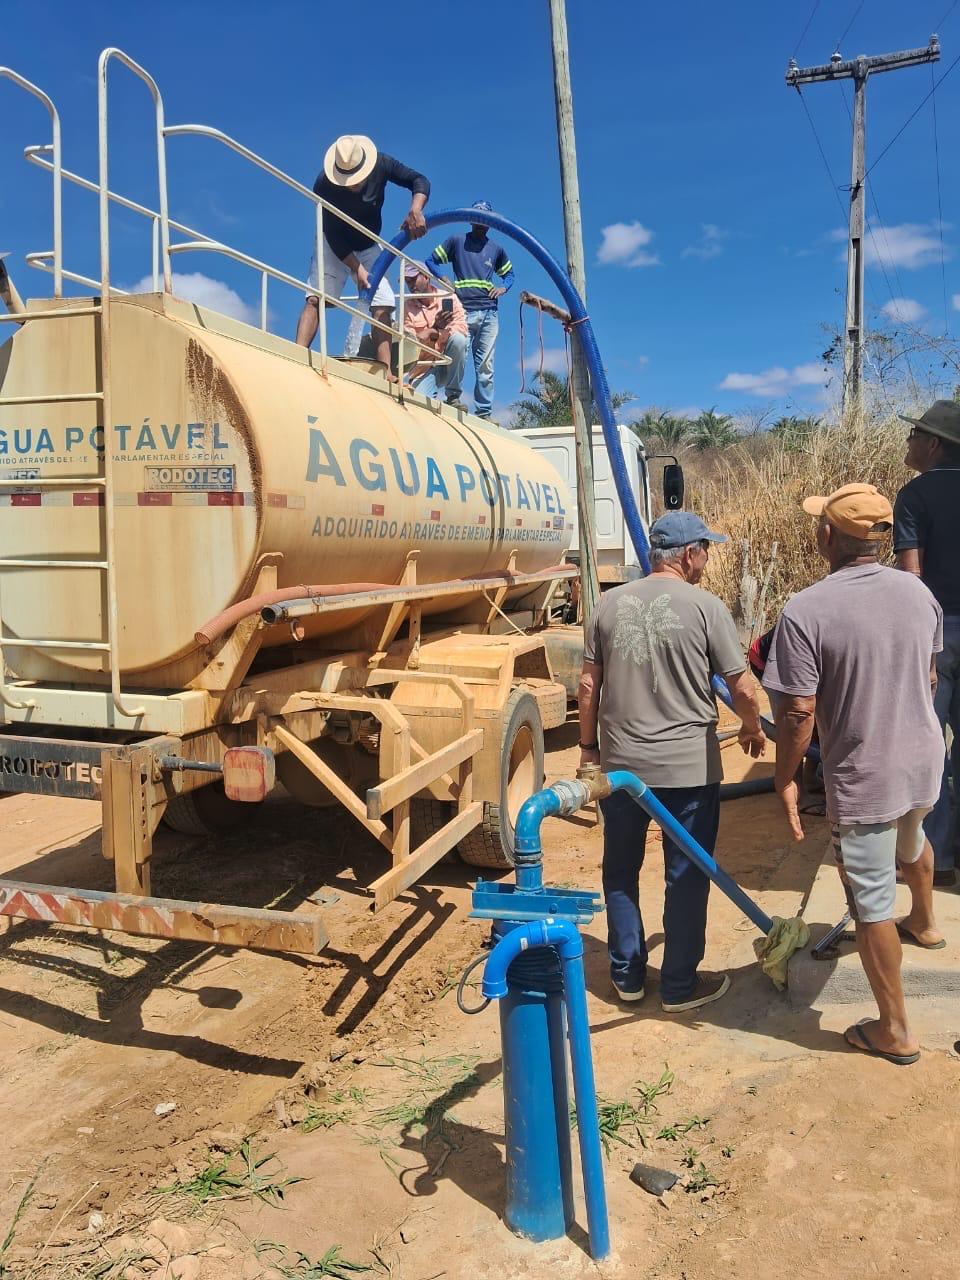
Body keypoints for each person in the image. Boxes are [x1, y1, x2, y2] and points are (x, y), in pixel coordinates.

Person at [764, 483, 944, 1066]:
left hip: (866, 776)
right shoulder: (920, 595)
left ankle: (894, 1031)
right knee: (913, 839)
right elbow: (931, 676)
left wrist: (785, 776)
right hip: (923, 758)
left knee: (869, 906)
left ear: (827, 536)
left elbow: (797, 712)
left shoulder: (807, 610)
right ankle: (925, 922)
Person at [578, 511, 766, 1012]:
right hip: (689, 770)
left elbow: (588, 686)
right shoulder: (705, 607)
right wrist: (750, 725)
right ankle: (680, 986)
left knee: (620, 869)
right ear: (688, 554)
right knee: (686, 873)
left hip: (621, 770)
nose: (707, 557)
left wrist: (588, 749)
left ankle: (627, 977)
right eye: (706, 548)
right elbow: (741, 685)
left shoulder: (606, 605)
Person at [894, 400, 960, 888]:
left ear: (935, 443)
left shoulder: (914, 497)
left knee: (928, 747)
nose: (909, 442)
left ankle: (935, 860)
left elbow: (913, 582)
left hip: (938, 637)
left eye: (915, 434)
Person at [295, 136, 430, 369]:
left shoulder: (382, 164)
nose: (350, 184)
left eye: (355, 179)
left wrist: (415, 209)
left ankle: (385, 371)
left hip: (368, 243)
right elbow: (333, 233)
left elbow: (419, 180)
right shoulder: (324, 185)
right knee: (316, 298)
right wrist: (357, 269)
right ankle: (295, 355)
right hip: (333, 243)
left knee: (383, 303)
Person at [427, 200, 514, 419]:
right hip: (463, 309)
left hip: (488, 312)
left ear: (491, 222)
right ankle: (453, 397)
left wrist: (503, 288)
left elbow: (510, 274)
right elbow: (432, 261)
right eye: (477, 217)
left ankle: (484, 411)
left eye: (485, 218)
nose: (481, 222)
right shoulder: (457, 242)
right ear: (470, 219)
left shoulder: (496, 249)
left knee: (486, 364)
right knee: (459, 351)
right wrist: (444, 278)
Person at [400, 261, 469, 407]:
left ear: (426, 277)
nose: (411, 285)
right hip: (424, 367)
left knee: (459, 340)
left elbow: (461, 329)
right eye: (407, 281)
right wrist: (436, 328)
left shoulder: (448, 297)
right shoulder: (406, 307)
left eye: (413, 279)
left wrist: (432, 333)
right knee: (417, 405)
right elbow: (411, 345)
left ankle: (453, 396)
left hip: (447, 362)